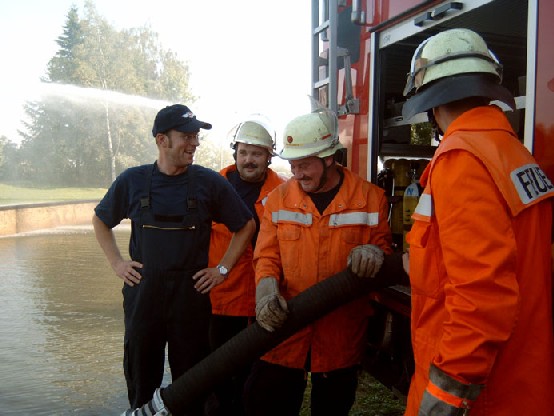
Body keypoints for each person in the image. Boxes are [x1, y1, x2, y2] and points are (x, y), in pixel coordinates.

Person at [400, 28, 554, 415]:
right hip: (523, 375)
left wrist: (448, 393)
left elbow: (481, 294)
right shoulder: (513, 152)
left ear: (432, 104)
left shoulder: (461, 158)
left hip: (485, 392)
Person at [92, 104, 256, 415]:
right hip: (143, 296)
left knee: (193, 383)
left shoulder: (209, 183)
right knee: (142, 380)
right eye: (186, 136)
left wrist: (222, 269)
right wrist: (117, 263)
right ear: (161, 140)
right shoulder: (132, 181)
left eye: (196, 137)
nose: (194, 143)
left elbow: (246, 225)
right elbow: (101, 220)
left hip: (191, 299)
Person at [243, 106, 393, 416]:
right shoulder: (278, 200)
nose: (298, 174)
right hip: (284, 329)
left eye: (305, 165)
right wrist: (266, 294)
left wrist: (375, 253)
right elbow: (266, 257)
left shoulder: (370, 198)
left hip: (340, 334)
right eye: (293, 165)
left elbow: (384, 251)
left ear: (329, 158)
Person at [207, 118, 285, 415]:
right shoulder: (212, 186)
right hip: (220, 300)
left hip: (263, 301)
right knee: (218, 371)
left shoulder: (284, 192)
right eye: (244, 153)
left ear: (268, 156)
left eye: (257, 153)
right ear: (235, 153)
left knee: (259, 374)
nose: (249, 160)